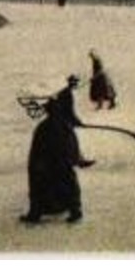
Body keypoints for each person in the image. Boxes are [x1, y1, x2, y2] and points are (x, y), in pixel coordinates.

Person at [22, 76, 94, 223]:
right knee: (63, 174)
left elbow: (66, 113)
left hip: (55, 137)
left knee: (46, 173)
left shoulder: (61, 96)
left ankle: (39, 211)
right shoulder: (64, 95)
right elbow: (70, 114)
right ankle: (72, 209)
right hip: (61, 136)